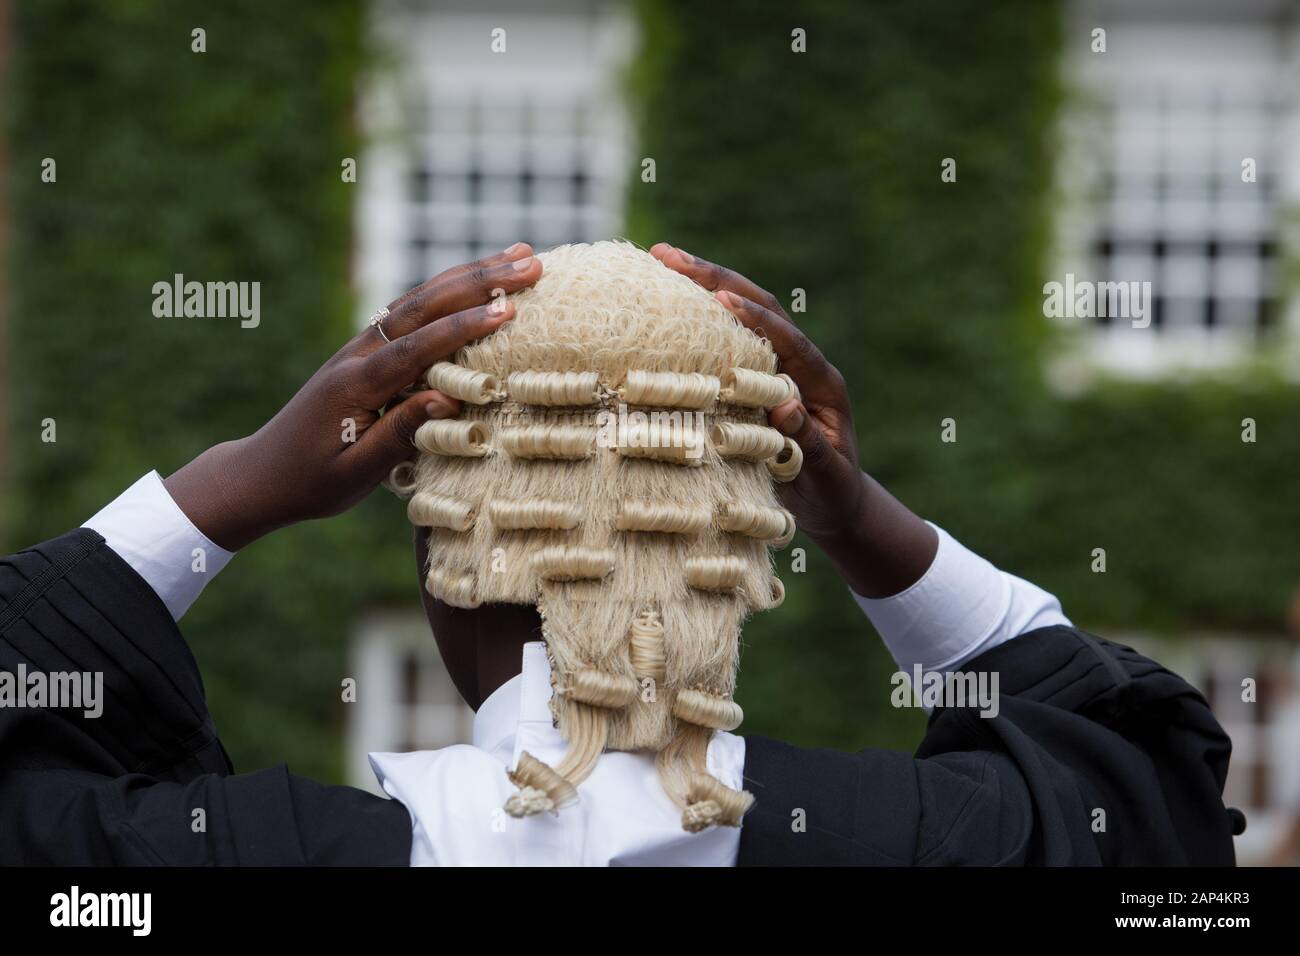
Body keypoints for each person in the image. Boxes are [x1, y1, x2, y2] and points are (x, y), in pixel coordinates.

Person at [0, 241, 1239, 866]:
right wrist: (865, 523)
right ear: (746, 533)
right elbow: (1153, 792)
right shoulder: (927, 841)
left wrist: (226, 490)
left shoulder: (228, 854)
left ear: (447, 560)